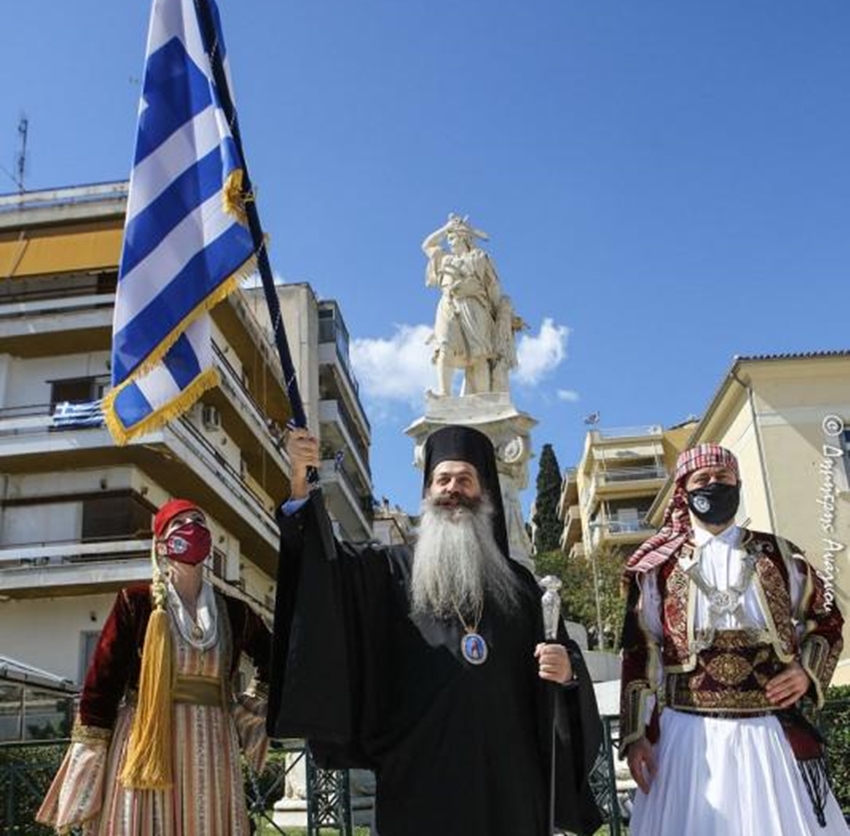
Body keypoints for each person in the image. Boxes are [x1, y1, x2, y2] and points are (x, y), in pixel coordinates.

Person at [268, 424, 603, 836]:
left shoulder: (520, 586)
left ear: (484, 493)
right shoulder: (389, 570)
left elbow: (559, 669)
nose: (452, 489)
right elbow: (325, 574)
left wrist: (566, 672)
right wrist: (301, 487)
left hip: (509, 787)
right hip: (419, 782)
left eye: (465, 479)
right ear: (427, 492)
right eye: (442, 479)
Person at [619, 443, 847, 835]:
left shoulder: (781, 554)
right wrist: (636, 735)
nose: (714, 484)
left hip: (771, 733)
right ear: (683, 491)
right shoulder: (657, 568)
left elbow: (826, 617)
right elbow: (640, 649)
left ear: (738, 484)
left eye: (723, 477)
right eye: (702, 479)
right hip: (686, 739)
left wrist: (805, 671)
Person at [37, 499, 271, 836]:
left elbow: (274, 659)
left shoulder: (235, 612)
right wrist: (89, 753)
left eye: (199, 521)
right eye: (180, 523)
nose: (193, 528)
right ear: (161, 545)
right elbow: (102, 683)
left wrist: (250, 708)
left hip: (213, 743)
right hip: (147, 739)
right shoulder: (136, 602)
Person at [422, 214, 503, 396]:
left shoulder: (479, 257)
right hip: (448, 304)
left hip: (473, 305)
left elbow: (493, 286)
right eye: (448, 238)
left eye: (453, 237)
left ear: (464, 237)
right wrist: (446, 227)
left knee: (479, 354)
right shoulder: (445, 259)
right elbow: (427, 245)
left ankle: (483, 398)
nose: (449, 241)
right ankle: (444, 393)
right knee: (444, 346)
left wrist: (499, 313)